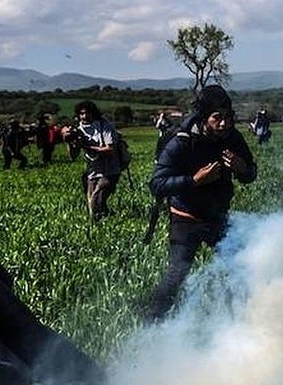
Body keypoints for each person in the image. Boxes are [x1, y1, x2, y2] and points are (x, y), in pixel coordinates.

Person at [145, 85, 257, 322]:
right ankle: (152, 323)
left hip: (218, 216)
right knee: (176, 274)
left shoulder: (233, 138)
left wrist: (242, 168)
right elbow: (157, 183)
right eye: (218, 118)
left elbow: (250, 174)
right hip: (186, 219)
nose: (225, 124)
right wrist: (194, 180)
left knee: (239, 268)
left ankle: (239, 319)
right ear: (204, 118)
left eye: (228, 117)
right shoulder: (182, 141)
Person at [66, 101, 121, 220]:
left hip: (109, 170)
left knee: (96, 200)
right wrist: (70, 142)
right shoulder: (78, 129)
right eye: (81, 114)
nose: (84, 116)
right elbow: (73, 156)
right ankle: (106, 220)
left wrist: (86, 146)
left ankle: (100, 223)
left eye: (87, 113)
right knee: (92, 203)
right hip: (92, 171)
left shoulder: (104, 126)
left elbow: (109, 149)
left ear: (93, 113)